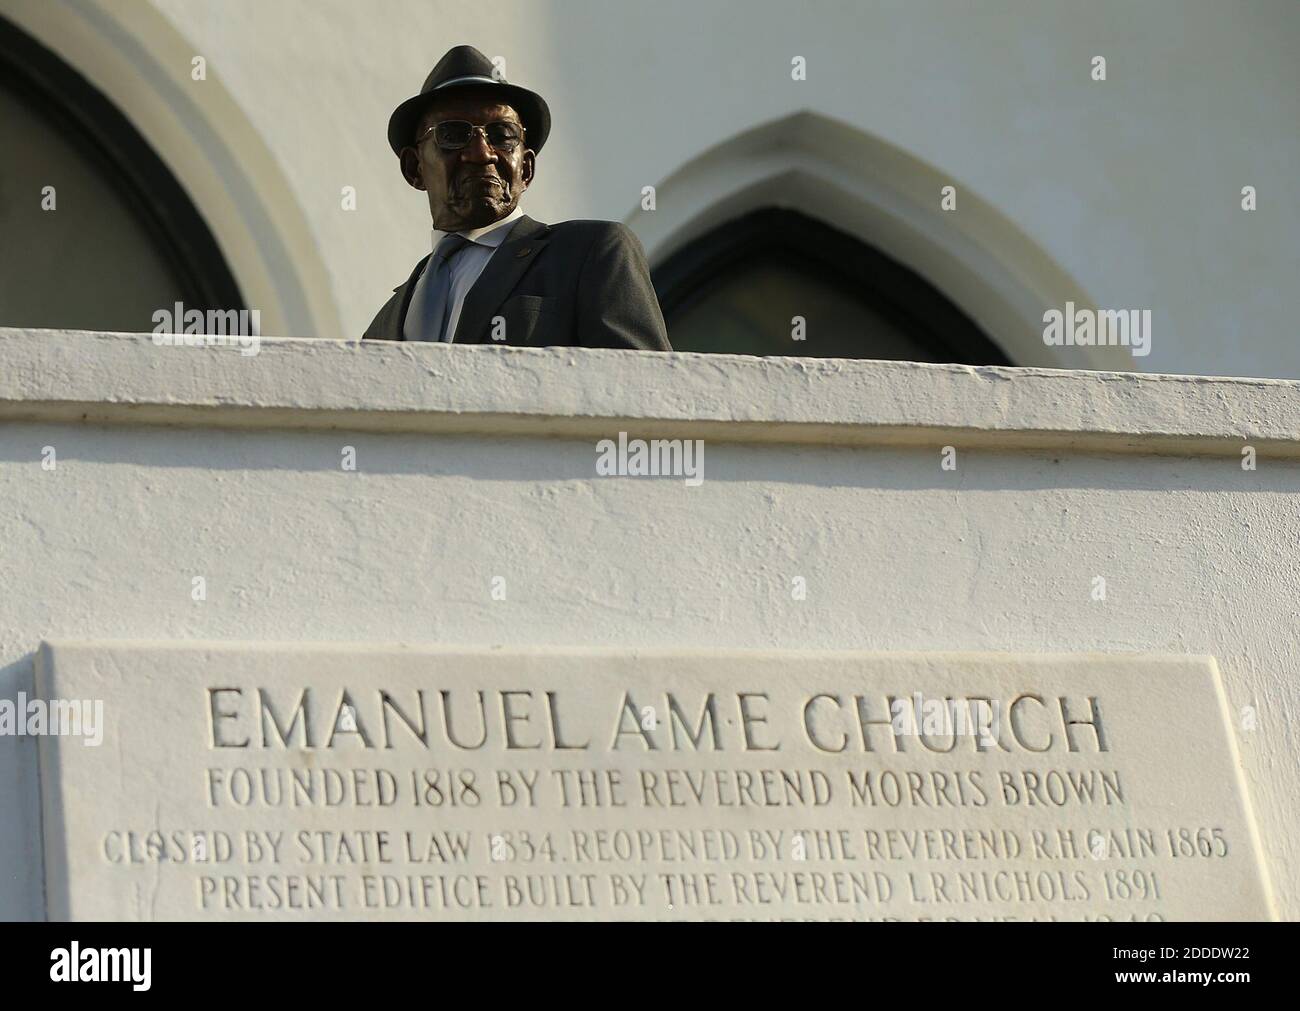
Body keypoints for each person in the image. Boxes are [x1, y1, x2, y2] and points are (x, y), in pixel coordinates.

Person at [364, 45, 671, 351]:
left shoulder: (589, 253)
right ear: (414, 167)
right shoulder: (384, 326)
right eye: (453, 134)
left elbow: (645, 388)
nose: (482, 153)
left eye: (502, 135)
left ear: (526, 167)